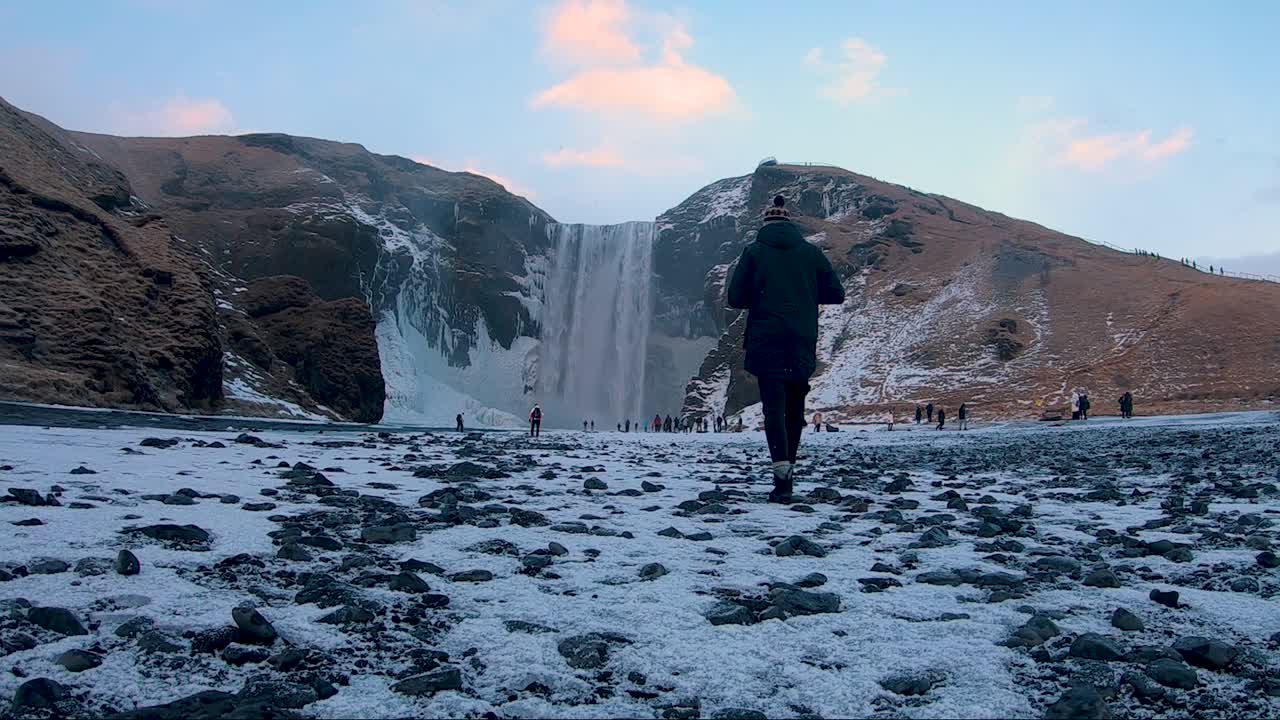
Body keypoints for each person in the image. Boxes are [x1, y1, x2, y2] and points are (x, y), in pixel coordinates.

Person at [727, 194, 845, 503]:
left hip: (767, 339)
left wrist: (764, 292)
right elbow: (836, 293)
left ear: (765, 223)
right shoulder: (811, 254)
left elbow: (735, 299)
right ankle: (789, 472)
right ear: (790, 224)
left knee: (774, 409)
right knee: (795, 410)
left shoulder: (753, 252)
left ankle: (782, 480)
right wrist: (803, 291)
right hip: (801, 339)